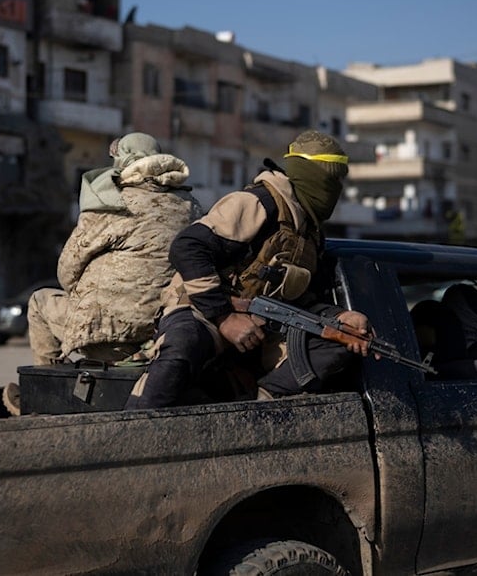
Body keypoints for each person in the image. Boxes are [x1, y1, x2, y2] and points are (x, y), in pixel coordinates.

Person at [125, 130, 371, 410]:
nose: (334, 188)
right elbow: (188, 247)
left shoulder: (311, 234)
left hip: (265, 325)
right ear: (307, 173)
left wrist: (340, 317)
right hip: (206, 312)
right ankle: (134, 429)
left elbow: (305, 300)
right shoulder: (258, 203)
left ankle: (257, 409)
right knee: (181, 350)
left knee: (337, 343)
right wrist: (225, 318)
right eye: (330, 178)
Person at [26, 132, 203, 366]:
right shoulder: (192, 206)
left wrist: (82, 296)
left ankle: (46, 386)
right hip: (165, 328)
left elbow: (67, 269)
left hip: (106, 329)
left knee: (39, 301)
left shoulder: (113, 202)